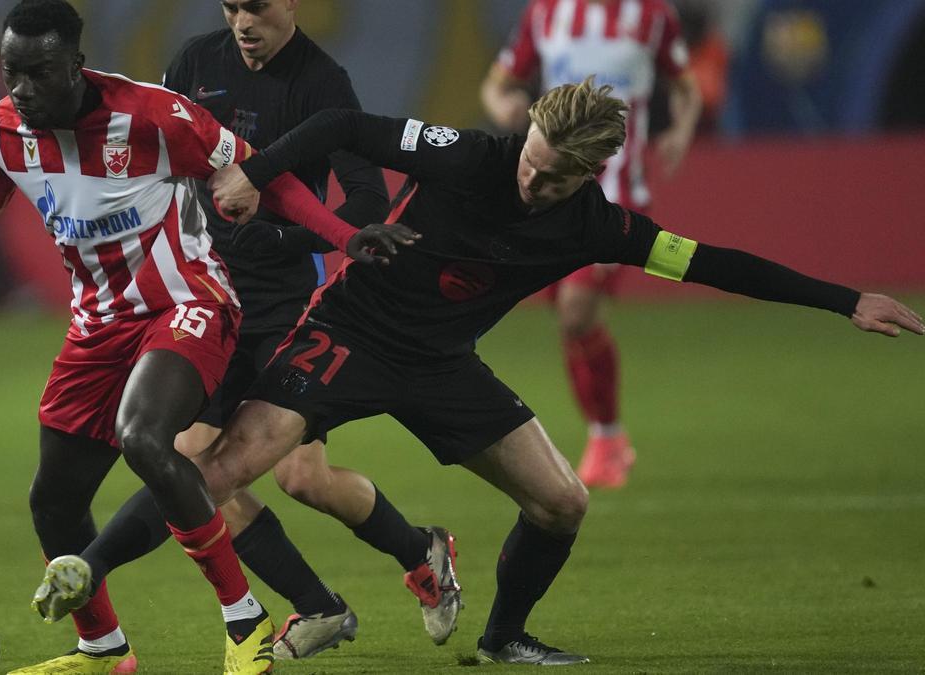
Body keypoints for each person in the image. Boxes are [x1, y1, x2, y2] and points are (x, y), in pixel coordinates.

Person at [0, 2, 413, 674]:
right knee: (53, 500)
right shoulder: (0, 133)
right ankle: (104, 650)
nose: (20, 89)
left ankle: (244, 620)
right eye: (11, 72)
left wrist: (346, 237)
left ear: (76, 67)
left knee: (145, 436)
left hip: (188, 302)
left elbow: (266, 176)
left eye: (38, 73)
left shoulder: (153, 115)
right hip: (98, 326)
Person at [192, 77, 920, 665]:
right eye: (531, 158)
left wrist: (845, 299)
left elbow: (710, 262)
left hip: (442, 365)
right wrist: (255, 173)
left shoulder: (597, 226)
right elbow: (344, 126)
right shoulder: (469, 153)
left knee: (563, 502)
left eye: (549, 176)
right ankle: (277, 602)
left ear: (590, 174)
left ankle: (503, 636)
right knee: (221, 475)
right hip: (351, 331)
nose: (529, 177)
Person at [12, 0, 462, 668]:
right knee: (197, 466)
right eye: (230, 7)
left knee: (303, 477)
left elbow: (364, 196)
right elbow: (157, 150)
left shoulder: (322, 83)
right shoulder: (194, 63)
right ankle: (316, 604)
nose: (242, 21)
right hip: (197, 293)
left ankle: (420, 548)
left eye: (255, 7)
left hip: (282, 298)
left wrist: (284, 234)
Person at [481, 0, 703, 488]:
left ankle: (606, 437)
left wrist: (681, 131)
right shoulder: (545, 13)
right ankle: (608, 437)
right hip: (552, 192)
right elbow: (498, 83)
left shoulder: (652, 14)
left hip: (616, 192)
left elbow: (687, 86)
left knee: (576, 310)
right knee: (570, 316)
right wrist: (506, 109)